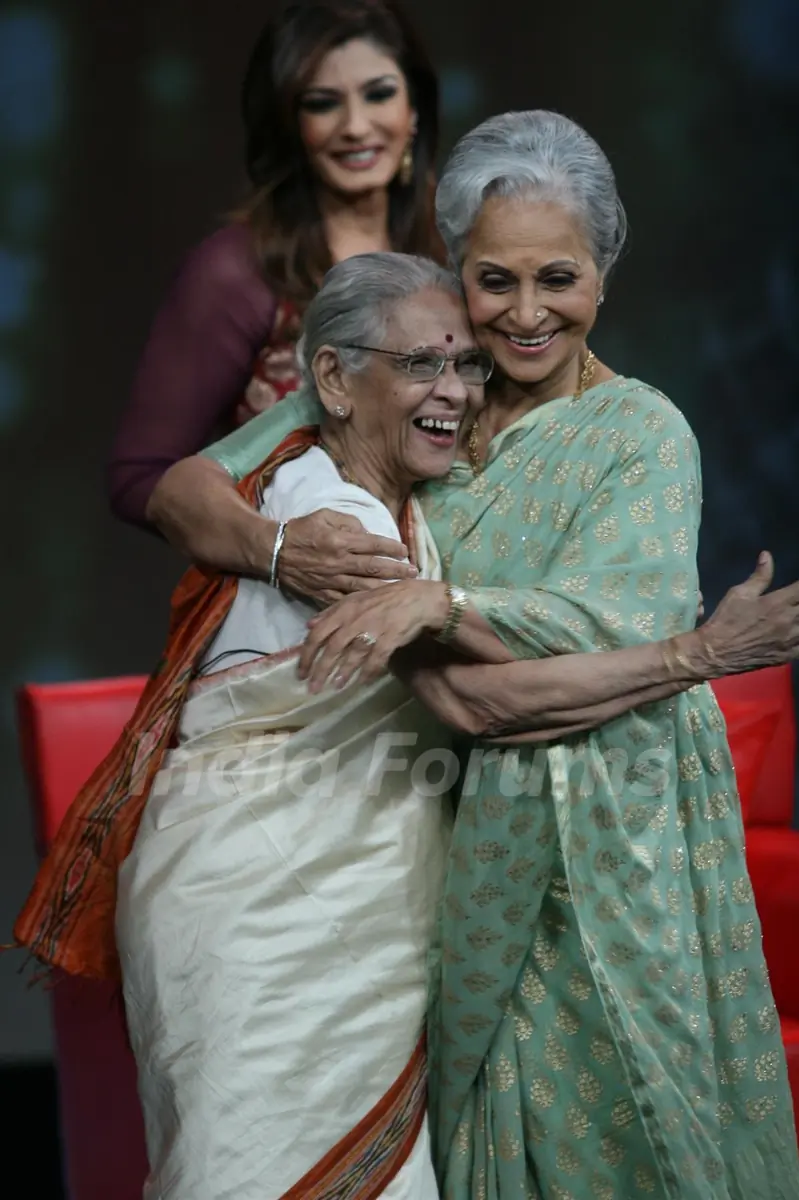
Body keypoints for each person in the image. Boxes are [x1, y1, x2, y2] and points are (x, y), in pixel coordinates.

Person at [143, 113, 799, 1197]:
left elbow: (609, 633)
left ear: (604, 273)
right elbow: (183, 485)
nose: (526, 313)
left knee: (623, 1128)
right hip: (448, 813)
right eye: (496, 279)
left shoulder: (640, 433)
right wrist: (279, 548)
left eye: (560, 278)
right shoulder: (421, 384)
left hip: (610, 826)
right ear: (457, 268)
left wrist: (435, 601)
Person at [17, 254, 494, 1199]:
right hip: (264, 908)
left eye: (470, 366)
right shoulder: (336, 521)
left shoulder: (323, 477)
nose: (454, 391)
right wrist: (688, 659)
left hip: (302, 901)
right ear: (331, 380)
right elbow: (478, 701)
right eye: (421, 365)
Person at [108, 0, 441, 528]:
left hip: (459, 600)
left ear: (414, 108)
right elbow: (141, 475)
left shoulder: (461, 253)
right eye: (323, 103)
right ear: (290, 123)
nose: (356, 126)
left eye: (379, 94)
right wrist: (276, 552)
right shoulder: (237, 272)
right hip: (292, 600)